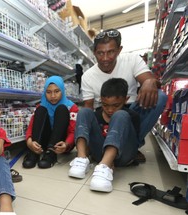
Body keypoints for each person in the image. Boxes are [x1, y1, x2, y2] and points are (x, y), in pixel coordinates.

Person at [81, 28, 167, 162]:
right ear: (94, 53)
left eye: (110, 52)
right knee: (86, 113)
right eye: (100, 53)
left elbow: (152, 82)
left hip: (132, 112)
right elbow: (88, 109)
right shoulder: (87, 76)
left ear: (119, 50)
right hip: (103, 118)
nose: (105, 58)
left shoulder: (131, 60)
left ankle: (133, 145)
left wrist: (150, 81)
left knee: (160, 97)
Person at [68, 78, 140, 192]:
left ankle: (105, 166)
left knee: (121, 115)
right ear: (100, 100)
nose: (110, 110)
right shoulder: (96, 115)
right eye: (105, 105)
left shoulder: (132, 116)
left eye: (115, 105)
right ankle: (81, 159)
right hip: (99, 154)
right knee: (84, 111)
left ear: (126, 99)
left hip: (123, 156)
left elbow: (133, 143)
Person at [22, 76, 78, 169]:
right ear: (44, 92)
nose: (53, 96)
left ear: (63, 91)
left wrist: (67, 144)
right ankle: (34, 153)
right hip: (43, 141)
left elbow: (73, 131)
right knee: (41, 110)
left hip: (62, 143)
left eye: (57, 91)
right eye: (48, 92)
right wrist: (29, 143)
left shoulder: (72, 107)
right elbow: (31, 127)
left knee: (62, 109)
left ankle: (51, 153)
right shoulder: (42, 105)